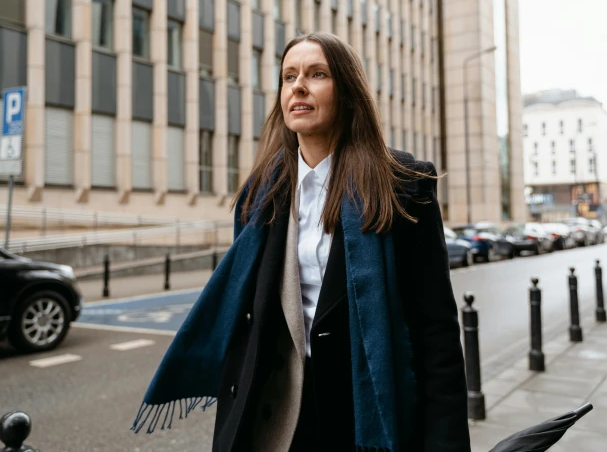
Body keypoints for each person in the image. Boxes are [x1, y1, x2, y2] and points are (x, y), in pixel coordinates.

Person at [133, 32, 470, 452]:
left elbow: (435, 330)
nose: (298, 86)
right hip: (277, 412)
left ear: (347, 91)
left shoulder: (402, 184)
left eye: (317, 74)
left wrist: (446, 442)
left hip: (366, 411)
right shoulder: (260, 194)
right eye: (289, 76)